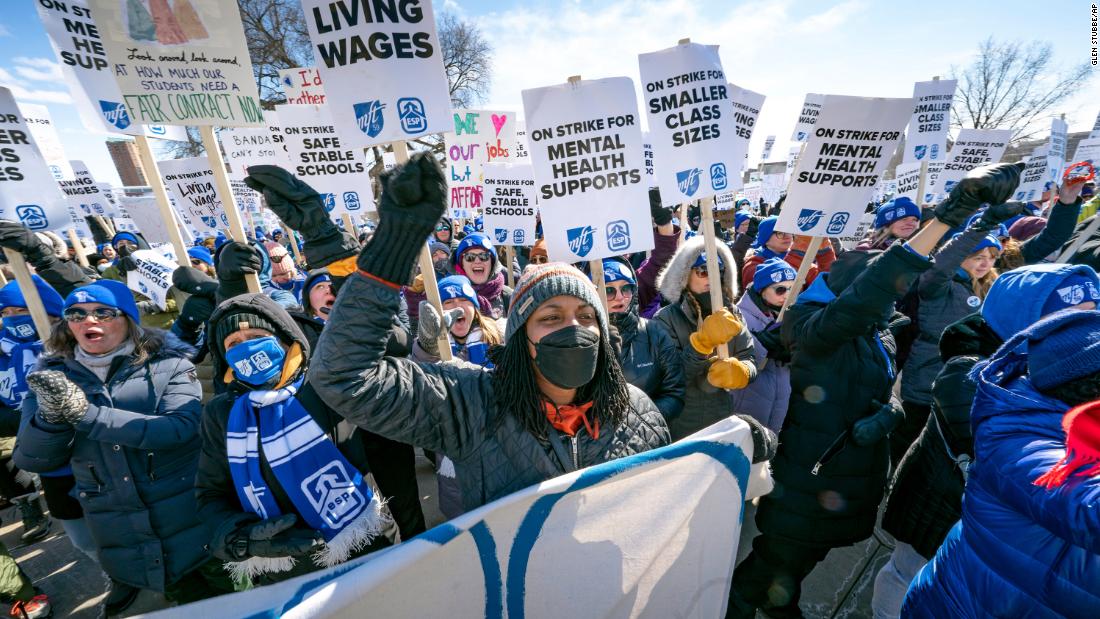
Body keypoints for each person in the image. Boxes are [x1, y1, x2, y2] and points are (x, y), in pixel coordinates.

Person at [727, 161, 1025, 619]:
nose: (891, 300)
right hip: (811, 475)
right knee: (778, 556)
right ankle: (741, 605)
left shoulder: (879, 329)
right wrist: (950, 214)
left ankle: (780, 601)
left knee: (808, 556)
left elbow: (884, 380)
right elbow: (880, 285)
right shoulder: (815, 327)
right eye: (881, 292)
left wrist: (890, 411)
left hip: (853, 471)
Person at [307, 153, 672, 513]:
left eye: (585, 316)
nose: (573, 327)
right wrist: (385, 259)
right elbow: (344, 378)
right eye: (551, 317)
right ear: (519, 337)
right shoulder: (472, 406)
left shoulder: (639, 412)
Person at [872, 263, 1100, 619]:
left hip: (990, 530)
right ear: (1022, 315)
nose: (1086, 328)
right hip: (936, 507)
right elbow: (1009, 454)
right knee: (905, 576)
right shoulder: (973, 371)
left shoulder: (1048, 373)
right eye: (1070, 316)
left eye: (1094, 313)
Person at [14, 280, 239, 611]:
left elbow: (181, 429)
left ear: (129, 320)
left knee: (243, 602)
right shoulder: (51, 377)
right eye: (76, 313)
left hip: (196, 523)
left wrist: (87, 415)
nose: (88, 321)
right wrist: (49, 419)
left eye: (103, 312)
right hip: (126, 536)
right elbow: (33, 458)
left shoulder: (170, 364)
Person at [195, 293, 398, 584]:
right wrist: (244, 538)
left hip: (366, 547)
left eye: (256, 335)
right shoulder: (222, 414)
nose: (248, 348)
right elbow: (210, 495)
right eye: (234, 344)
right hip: (284, 573)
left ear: (285, 339)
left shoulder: (327, 386)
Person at [895, 202, 1023, 464]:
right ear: (962, 258)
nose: (985, 263)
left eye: (991, 257)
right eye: (978, 256)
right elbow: (942, 264)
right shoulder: (938, 284)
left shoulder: (992, 287)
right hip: (927, 376)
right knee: (910, 445)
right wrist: (983, 224)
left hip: (967, 379)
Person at [654, 236, 757, 440]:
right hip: (682, 427)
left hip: (722, 421)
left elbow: (750, 357)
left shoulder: (732, 312)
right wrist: (701, 345)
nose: (711, 278)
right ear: (685, 275)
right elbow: (668, 379)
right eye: (703, 271)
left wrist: (744, 371)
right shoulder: (666, 318)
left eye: (717, 271)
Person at [596, 258, 684, 421]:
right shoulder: (583, 338)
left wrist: (641, 423)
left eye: (626, 288)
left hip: (648, 438)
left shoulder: (654, 332)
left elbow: (674, 393)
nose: (620, 297)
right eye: (609, 291)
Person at [730, 258, 797, 433]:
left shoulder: (793, 315)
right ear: (762, 290)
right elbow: (735, 360)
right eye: (780, 289)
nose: (787, 295)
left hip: (779, 401)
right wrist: (763, 344)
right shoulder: (738, 315)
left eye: (793, 289)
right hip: (746, 403)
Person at [740, 216, 835, 291]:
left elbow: (828, 285)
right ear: (765, 240)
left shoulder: (805, 263)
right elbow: (776, 286)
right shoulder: (753, 265)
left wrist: (825, 254)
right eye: (780, 233)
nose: (787, 236)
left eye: (789, 231)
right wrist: (798, 252)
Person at [450, 232, 512, 319]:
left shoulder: (508, 296)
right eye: (470, 257)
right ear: (462, 264)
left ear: (492, 262)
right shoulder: (450, 296)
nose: (477, 261)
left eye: (484, 256)